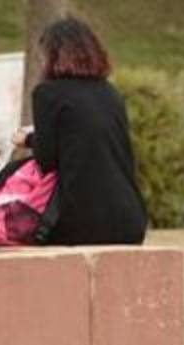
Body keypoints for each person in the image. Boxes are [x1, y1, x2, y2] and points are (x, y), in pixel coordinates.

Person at [13, 17, 147, 245]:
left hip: (81, 222)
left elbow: (47, 160)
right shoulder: (111, 93)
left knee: (9, 176)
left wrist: (28, 139)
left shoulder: (47, 93)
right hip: (130, 219)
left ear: (52, 56)